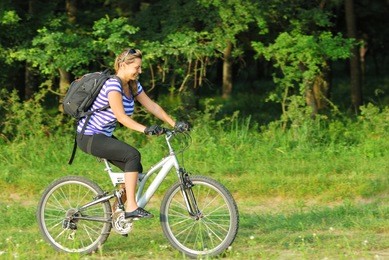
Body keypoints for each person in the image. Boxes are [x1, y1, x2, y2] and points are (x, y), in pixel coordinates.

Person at [76, 48, 188, 219]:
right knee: (132, 155)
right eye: (137, 67)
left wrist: (174, 123)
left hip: (102, 135)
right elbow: (121, 116)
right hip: (89, 136)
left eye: (140, 67)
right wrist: (145, 129)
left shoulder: (133, 85)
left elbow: (152, 106)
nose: (140, 71)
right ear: (122, 65)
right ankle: (130, 207)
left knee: (135, 168)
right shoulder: (112, 84)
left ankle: (117, 213)